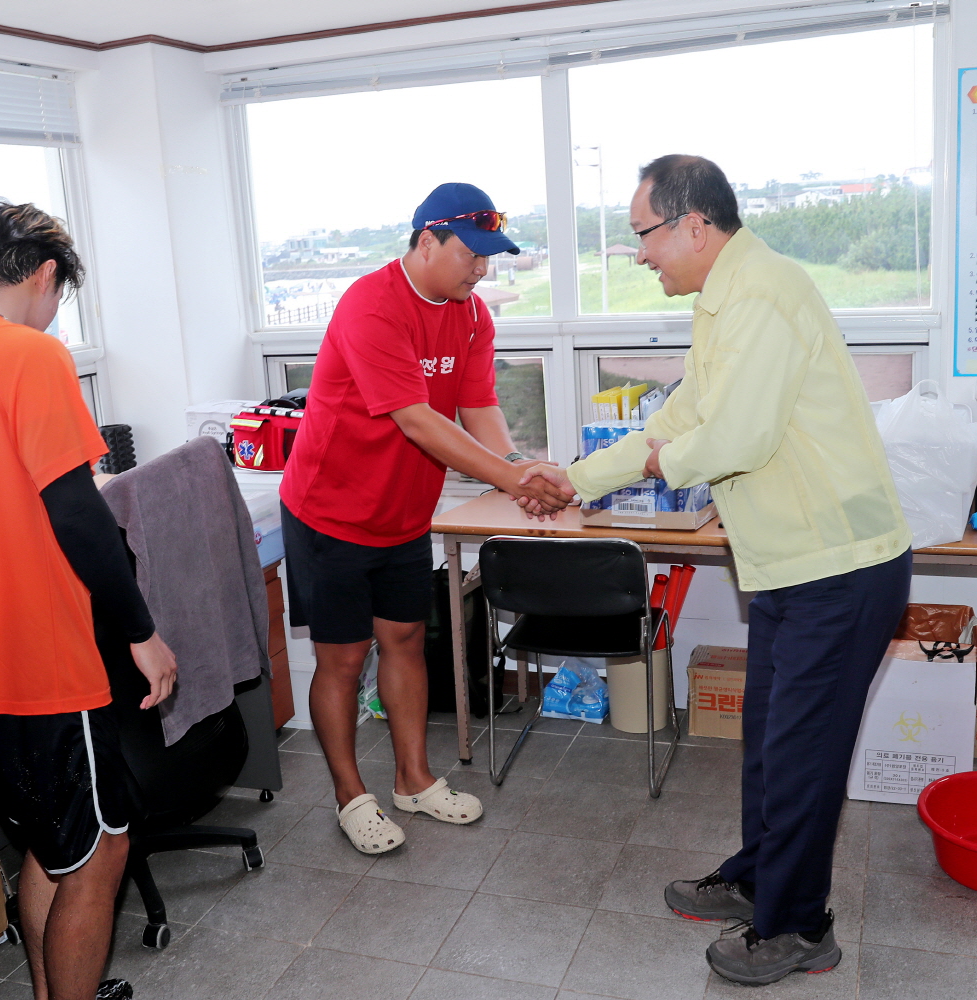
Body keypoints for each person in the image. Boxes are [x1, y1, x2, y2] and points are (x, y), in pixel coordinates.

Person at [519, 155, 911, 986]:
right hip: (784, 566)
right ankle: (762, 882)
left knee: (803, 753)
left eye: (644, 234)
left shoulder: (764, 292)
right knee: (771, 745)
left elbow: (735, 439)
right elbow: (683, 416)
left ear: (694, 225)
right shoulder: (723, 301)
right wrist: (575, 478)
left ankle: (801, 927)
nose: (639, 253)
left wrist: (664, 461)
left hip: (837, 568)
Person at [0, 199, 176, 1000]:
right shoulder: (26, 355)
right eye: (58, 299)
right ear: (45, 276)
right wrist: (142, 632)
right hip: (45, 661)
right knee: (101, 856)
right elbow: (78, 510)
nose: (52, 317)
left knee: (52, 850)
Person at [279, 182, 573, 855]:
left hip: (403, 512)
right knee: (344, 658)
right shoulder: (371, 307)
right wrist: (513, 480)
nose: (482, 269)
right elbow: (417, 419)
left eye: (490, 257)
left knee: (406, 640)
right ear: (426, 242)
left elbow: (478, 406)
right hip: (332, 511)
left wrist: (520, 465)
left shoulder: (471, 316)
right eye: (472, 254)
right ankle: (351, 795)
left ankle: (413, 779)